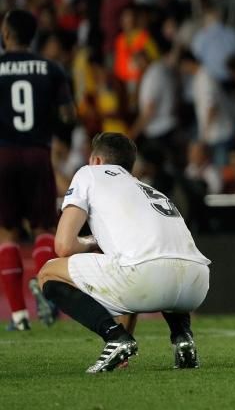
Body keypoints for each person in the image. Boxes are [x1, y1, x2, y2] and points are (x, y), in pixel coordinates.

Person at [37, 133, 211, 373]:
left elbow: (64, 246)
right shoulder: (146, 188)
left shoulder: (89, 173)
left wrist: (91, 242)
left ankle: (114, 337)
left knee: (48, 273)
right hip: (197, 284)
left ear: (96, 161)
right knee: (143, 261)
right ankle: (183, 338)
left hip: (146, 277)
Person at [0, 10, 75, 331]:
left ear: (7, 34)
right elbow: (69, 116)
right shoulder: (51, 69)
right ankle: (46, 291)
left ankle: (18, 315)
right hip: (37, 153)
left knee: (6, 234)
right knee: (44, 227)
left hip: (2, 155)